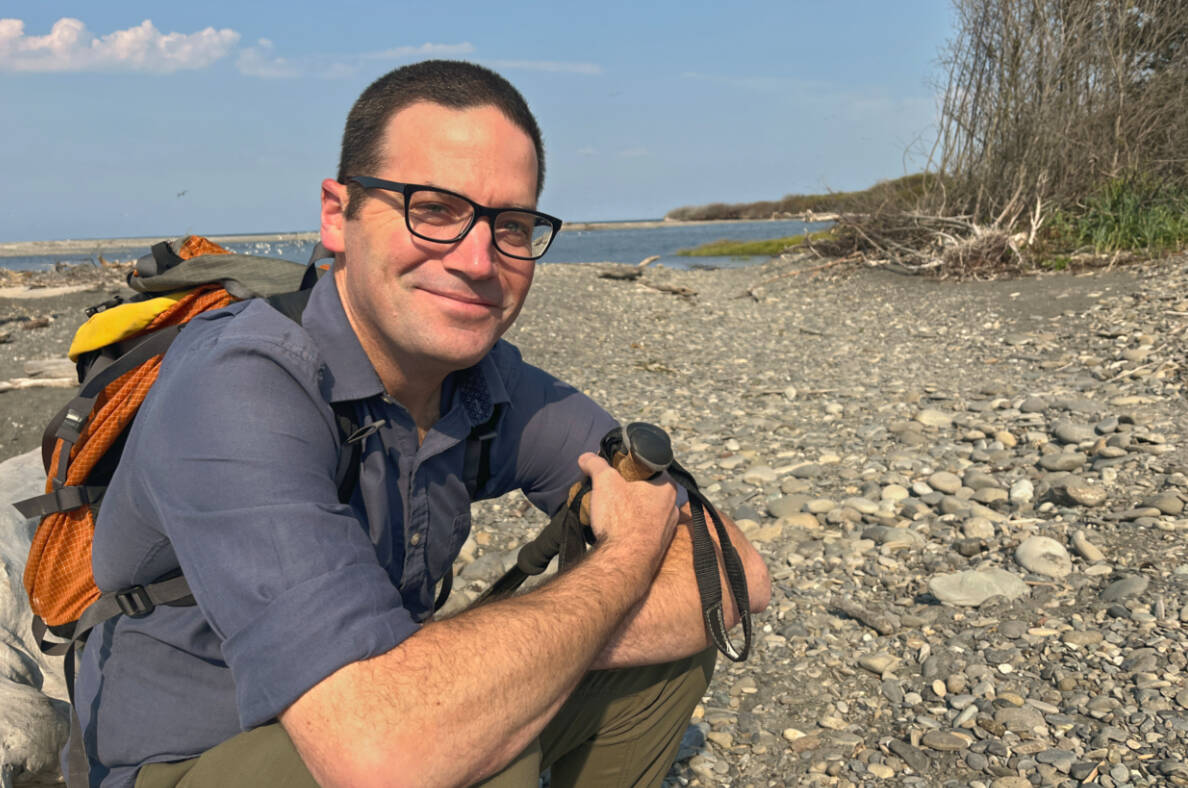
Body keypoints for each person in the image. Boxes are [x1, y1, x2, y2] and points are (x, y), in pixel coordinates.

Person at [76, 60, 770, 788]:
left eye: (512, 225)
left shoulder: (487, 384)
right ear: (336, 216)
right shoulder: (241, 385)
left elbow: (736, 576)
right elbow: (386, 756)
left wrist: (514, 662)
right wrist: (624, 566)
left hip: (364, 710)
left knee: (529, 697)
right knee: (474, 750)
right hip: (184, 759)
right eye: (433, 208)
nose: (478, 260)